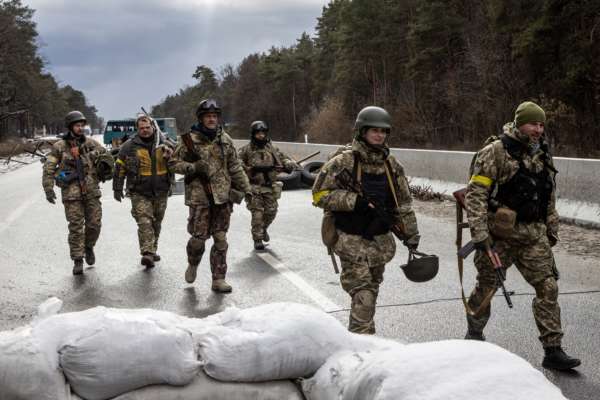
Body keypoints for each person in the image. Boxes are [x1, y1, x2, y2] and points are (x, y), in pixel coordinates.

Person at [464, 101, 581, 370]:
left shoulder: (543, 153)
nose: (538, 129)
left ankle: (553, 350)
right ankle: (473, 337)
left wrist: (551, 228)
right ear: (519, 124)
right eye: (532, 124)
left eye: (541, 124)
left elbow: (548, 195)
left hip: (533, 235)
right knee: (486, 287)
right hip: (499, 236)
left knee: (548, 287)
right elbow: (476, 195)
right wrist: (480, 235)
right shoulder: (495, 152)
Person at [312, 106, 420, 334]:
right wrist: (353, 201)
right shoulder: (343, 162)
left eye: (384, 131)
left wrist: (411, 235)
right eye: (374, 131)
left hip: (379, 242)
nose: (380, 136)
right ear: (362, 131)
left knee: (371, 290)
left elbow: (403, 203)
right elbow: (319, 194)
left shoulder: (391, 165)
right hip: (350, 240)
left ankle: (364, 338)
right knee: (363, 296)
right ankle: (362, 348)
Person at [169, 99, 250, 293]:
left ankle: (218, 279)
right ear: (201, 118)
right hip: (200, 198)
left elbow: (235, 166)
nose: (212, 119)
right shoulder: (189, 140)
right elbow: (172, 163)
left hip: (222, 197)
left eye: (214, 116)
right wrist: (193, 167)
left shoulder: (225, 139)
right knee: (198, 240)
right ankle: (193, 262)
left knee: (221, 239)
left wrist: (247, 188)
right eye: (208, 116)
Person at [42, 111, 110, 275]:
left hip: (91, 190)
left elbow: (106, 155)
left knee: (95, 224)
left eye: (82, 125)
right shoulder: (60, 146)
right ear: (71, 126)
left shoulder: (91, 143)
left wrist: (97, 160)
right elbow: (49, 167)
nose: (80, 128)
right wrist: (48, 188)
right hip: (71, 194)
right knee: (76, 227)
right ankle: (77, 259)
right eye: (77, 125)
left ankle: (88, 246)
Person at [113, 115, 174, 268]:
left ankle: (153, 249)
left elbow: (179, 158)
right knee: (145, 222)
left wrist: (171, 154)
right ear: (137, 129)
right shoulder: (129, 146)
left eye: (147, 127)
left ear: (153, 127)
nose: (145, 131)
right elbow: (120, 167)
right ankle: (147, 253)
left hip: (161, 190)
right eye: (141, 128)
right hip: (139, 192)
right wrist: (117, 187)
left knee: (156, 222)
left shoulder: (164, 143)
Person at [238, 121, 299, 250]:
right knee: (257, 214)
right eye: (258, 133)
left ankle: (263, 229)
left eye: (263, 133)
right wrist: (247, 168)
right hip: (253, 187)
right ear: (253, 134)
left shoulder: (272, 149)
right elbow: (237, 162)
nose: (261, 136)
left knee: (271, 211)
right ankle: (258, 239)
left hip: (269, 187)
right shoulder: (246, 149)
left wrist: (288, 164)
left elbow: (284, 159)